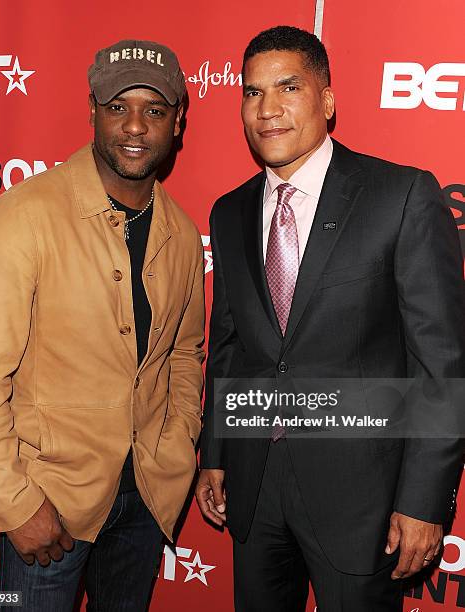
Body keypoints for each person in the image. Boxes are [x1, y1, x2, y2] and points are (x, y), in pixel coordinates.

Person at [196, 25, 465, 611]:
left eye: (287, 87)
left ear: (328, 100)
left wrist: (423, 500)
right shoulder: (230, 210)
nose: (267, 110)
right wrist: (215, 451)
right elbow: (229, 344)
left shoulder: (401, 196)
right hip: (256, 483)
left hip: (363, 497)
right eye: (251, 92)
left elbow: (440, 365)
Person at [0, 38, 204, 612]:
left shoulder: (184, 234)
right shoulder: (27, 214)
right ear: (92, 110)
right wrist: (16, 502)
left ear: (178, 121)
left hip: (146, 500)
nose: (136, 127)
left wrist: (178, 440)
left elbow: (186, 354)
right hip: (49, 504)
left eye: (155, 110)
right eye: (119, 107)